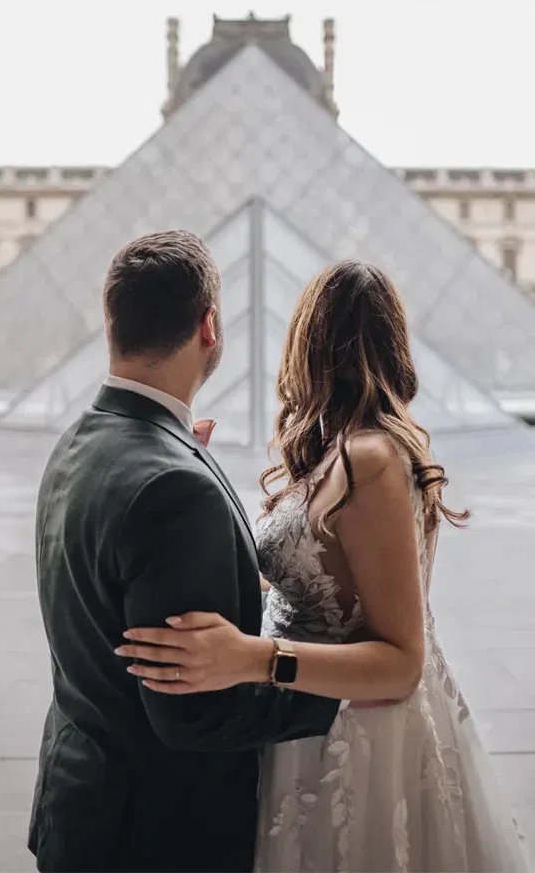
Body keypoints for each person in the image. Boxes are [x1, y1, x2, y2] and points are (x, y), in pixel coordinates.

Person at [119, 260, 529, 873]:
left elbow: (402, 666)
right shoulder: (336, 451)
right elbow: (306, 581)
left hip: (356, 745)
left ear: (304, 339)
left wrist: (250, 657)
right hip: (311, 719)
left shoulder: (370, 459)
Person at [28, 231, 341, 873]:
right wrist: (339, 694)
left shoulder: (81, 443)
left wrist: (185, 456)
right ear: (209, 325)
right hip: (158, 833)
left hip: (82, 801)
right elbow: (190, 715)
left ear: (113, 322)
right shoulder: (172, 485)